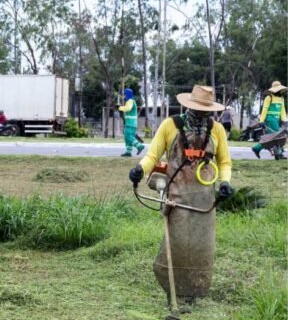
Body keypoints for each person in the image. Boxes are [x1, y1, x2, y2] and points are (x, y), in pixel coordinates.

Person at [129, 85, 233, 306]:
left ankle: (194, 292)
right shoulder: (170, 125)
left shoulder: (217, 130)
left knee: (200, 248)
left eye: (206, 110)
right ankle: (174, 294)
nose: (202, 114)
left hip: (204, 200)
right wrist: (140, 169)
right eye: (198, 109)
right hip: (176, 197)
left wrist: (225, 182)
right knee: (176, 247)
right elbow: (153, 155)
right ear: (188, 106)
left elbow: (224, 162)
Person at [251, 81, 287, 160]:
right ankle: (279, 153)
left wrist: (285, 120)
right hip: (270, 120)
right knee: (276, 136)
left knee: (271, 138)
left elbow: (282, 110)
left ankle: (257, 148)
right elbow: (264, 109)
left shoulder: (281, 98)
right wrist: (261, 121)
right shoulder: (269, 97)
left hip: (277, 120)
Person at [118, 88, 145, 157]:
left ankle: (139, 146)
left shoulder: (130, 101)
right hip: (132, 123)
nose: (123, 96)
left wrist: (120, 108)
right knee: (128, 137)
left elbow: (128, 108)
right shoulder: (131, 101)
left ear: (127, 94)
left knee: (128, 136)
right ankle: (128, 152)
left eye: (124, 94)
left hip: (130, 123)